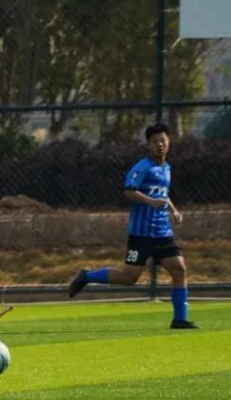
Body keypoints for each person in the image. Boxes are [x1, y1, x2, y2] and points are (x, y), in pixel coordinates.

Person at [66, 123, 197, 329]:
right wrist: (151, 202)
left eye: (163, 140)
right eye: (155, 142)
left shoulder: (166, 168)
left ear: (168, 141)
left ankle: (180, 319)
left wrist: (174, 210)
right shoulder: (142, 167)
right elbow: (129, 191)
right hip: (141, 234)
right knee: (129, 278)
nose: (160, 145)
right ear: (149, 145)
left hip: (163, 232)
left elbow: (162, 193)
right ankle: (87, 276)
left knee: (179, 269)